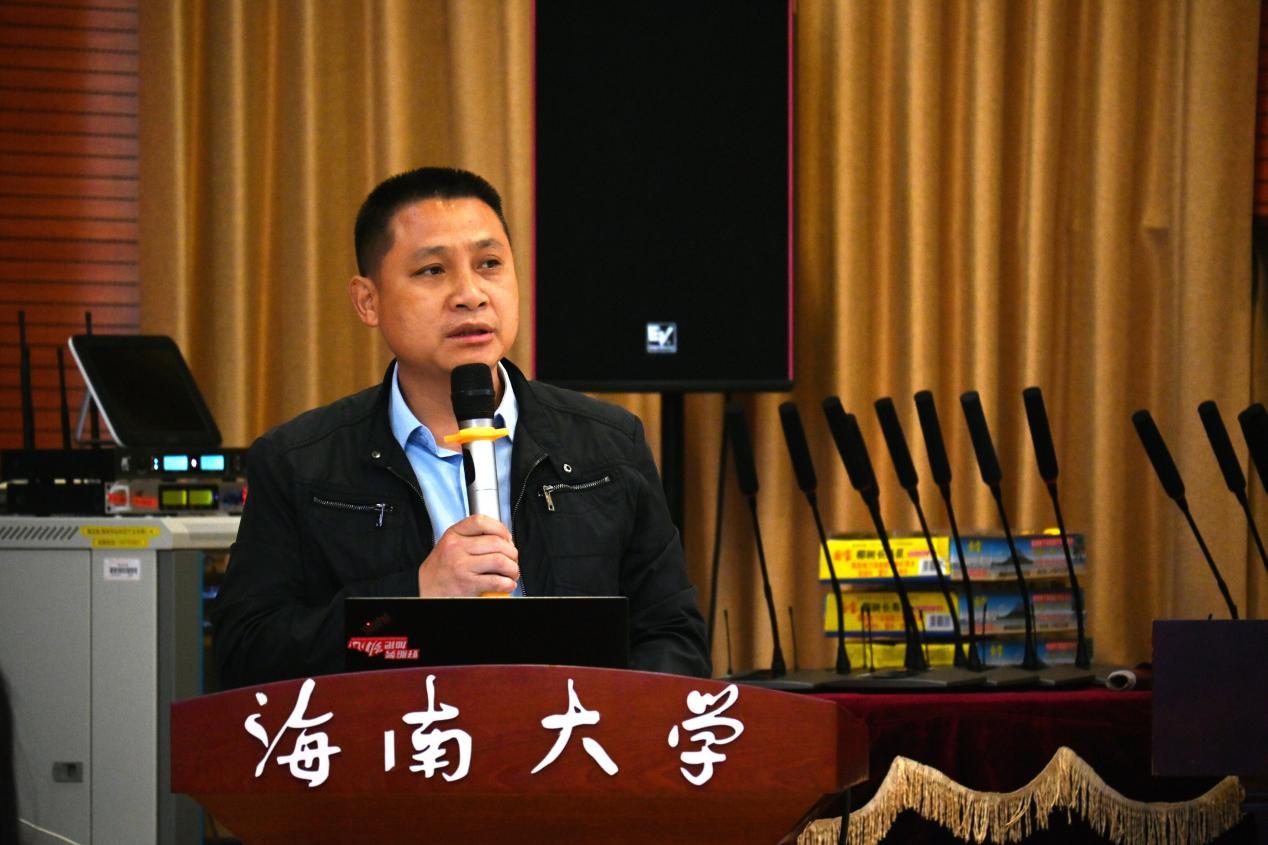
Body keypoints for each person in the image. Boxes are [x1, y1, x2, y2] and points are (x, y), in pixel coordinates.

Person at [213, 167, 710, 687]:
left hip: (573, 729)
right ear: (368, 301)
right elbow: (248, 652)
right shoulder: (299, 463)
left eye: (489, 264)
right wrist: (414, 595)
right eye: (433, 270)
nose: (470, 294)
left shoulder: (609, 444)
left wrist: (608, 714)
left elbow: (674, 637)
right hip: (403, 733)